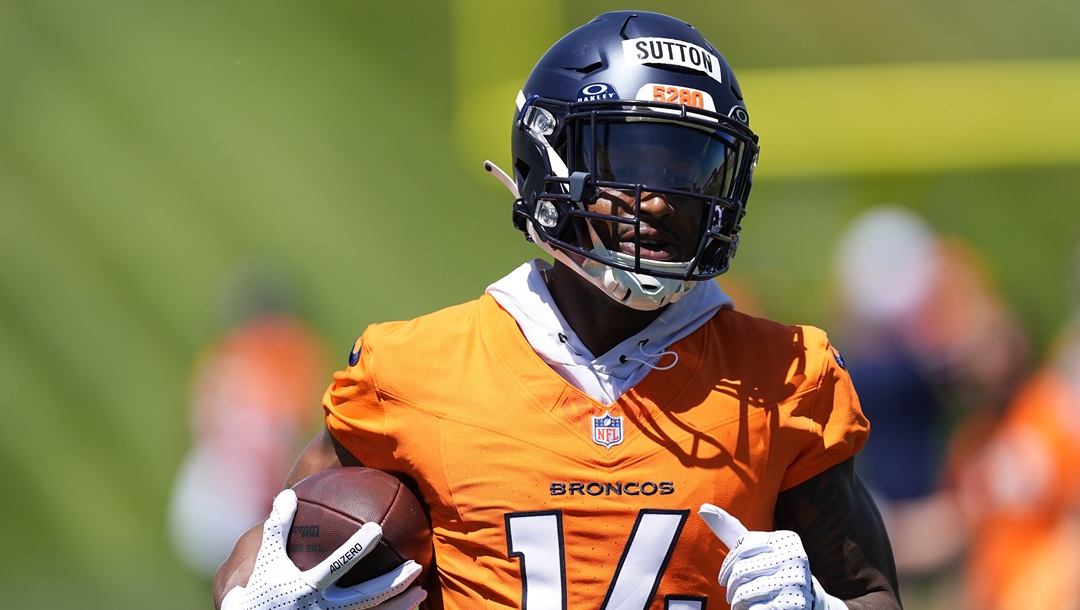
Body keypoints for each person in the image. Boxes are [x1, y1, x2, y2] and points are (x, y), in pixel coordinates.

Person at [213, 11, 901, 610]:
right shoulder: (416, 371)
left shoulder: (783, 377)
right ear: (550, 159)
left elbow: (873, 592)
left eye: (689, 171)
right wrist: (256, 597)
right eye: (632, 159)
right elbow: (279, 534)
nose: (661, 200)